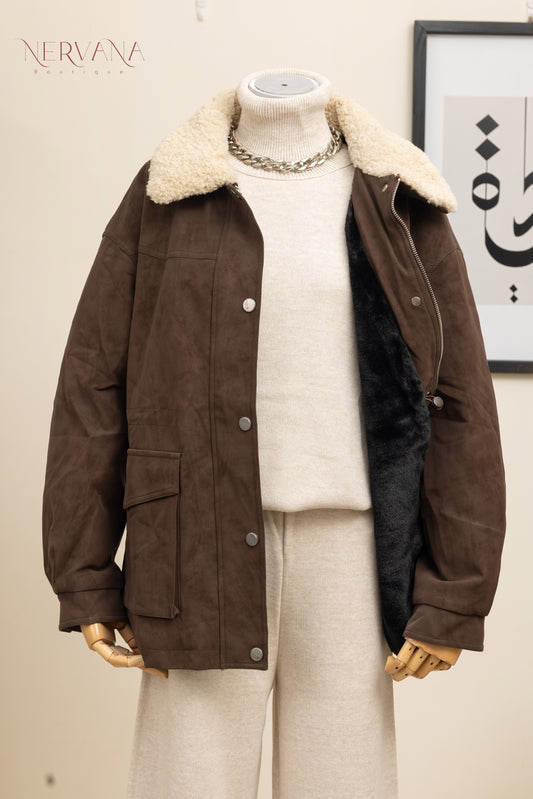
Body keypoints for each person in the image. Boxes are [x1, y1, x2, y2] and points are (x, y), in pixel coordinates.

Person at [42, 67, 506, 798]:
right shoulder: (170, 190)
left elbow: (459, 396)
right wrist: (86, 575)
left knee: (345, 783)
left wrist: (456, 592)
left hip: (350, 556)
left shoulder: (397, 196)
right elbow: (94, 380)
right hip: (193, 543)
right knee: (185, 784)